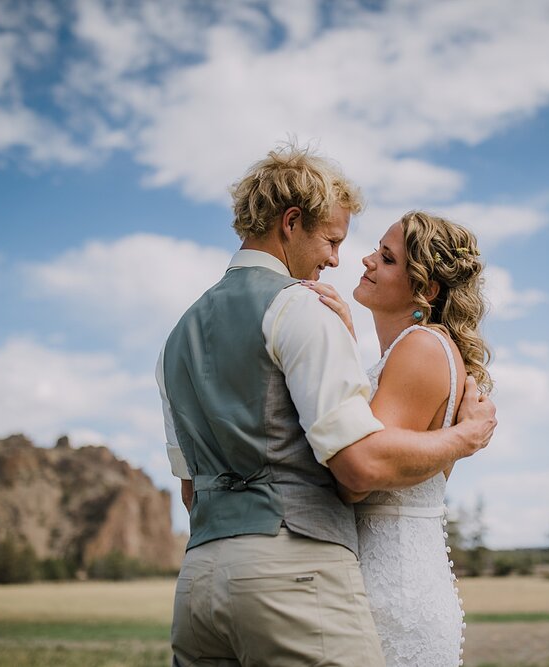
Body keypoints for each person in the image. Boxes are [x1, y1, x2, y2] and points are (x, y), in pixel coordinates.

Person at [156, 144, 497, 667]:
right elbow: (358, 466)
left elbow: (188, 488)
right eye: (333, 240)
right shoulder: (299, 308)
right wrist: (465, 438)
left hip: (200, 577)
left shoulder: (176, 338)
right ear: (292, 223)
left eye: (384, 256)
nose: (339, 259)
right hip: (297, 576)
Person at [307, 211, 492, 666]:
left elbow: (360, 476)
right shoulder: (409, 351)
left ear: (425, 289)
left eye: (387, 259)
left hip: (392, 590)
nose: (367, 260)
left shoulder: (422, 347)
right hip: (391, 579)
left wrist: (467, 437)